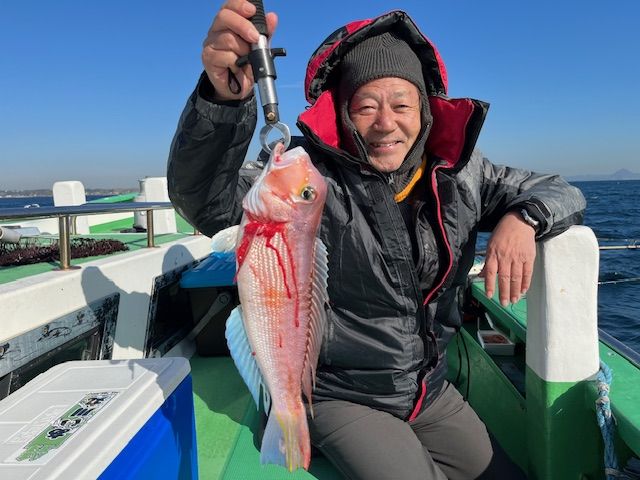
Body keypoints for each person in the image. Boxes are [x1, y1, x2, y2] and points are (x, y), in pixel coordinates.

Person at [167, 3, 586, 479]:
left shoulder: (462, 173)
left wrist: (523, 218)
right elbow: (206, 201)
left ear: (425, 110)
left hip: (428, 390)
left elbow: (559, 190)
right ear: (343, 114)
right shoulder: (308, 176)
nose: (386, 122)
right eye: (366, 106)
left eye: (402, 105)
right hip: (341, 394)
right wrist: (222, 102)